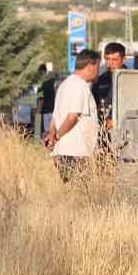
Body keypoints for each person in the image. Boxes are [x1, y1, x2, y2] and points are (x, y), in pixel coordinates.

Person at [44, 49, 99, 181]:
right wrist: (56, 136)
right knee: (82, 194)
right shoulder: (80, 85)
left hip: (63, 150)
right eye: (97, 66)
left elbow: (55, 118)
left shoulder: (64, 84)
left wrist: (52, 135)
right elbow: (73, 116)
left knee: (71, 192)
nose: (98, 71)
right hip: (76, 151)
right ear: (90, 66)